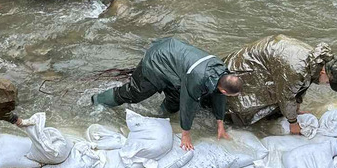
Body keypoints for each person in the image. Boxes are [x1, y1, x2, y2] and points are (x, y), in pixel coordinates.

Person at [91, 37, 243, 151]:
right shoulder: (198, 79)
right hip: (157, 61)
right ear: (224, 88)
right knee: (134, 94)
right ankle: (96, 101)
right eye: (230, 95)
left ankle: (160, 116)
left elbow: (219, 95)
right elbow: (188, 104)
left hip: (174, 63)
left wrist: (220, 124)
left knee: (175, 98)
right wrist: (186, 134)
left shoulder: (222, 72)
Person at [223, 35, 337, 135]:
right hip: (246, 68)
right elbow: (286, 97)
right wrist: (293, 124)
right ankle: (226, 121)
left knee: (278, 98)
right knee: (244, 103)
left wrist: (297, 107)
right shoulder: (297, 69)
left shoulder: (316, 61)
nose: (326, 85)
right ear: (324, 72)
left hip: (271, 62)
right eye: (327, 82)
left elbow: (302, 84)